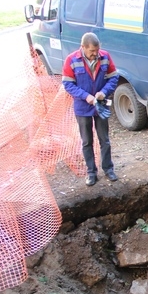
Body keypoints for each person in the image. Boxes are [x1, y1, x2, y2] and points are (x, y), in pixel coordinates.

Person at [62, 32, 119, 186]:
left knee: (104, 140)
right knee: (87, 141)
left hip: (100, 105)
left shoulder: (105, 57)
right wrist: (86, 96)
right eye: (92, 51)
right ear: (83, 48)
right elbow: (68, 84)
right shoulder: (72, 60)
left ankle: (108, 169)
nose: (95, 54)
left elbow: (114, 77)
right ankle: (91, 172)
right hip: (82, 107)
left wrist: (103, 92)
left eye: (97, 50)